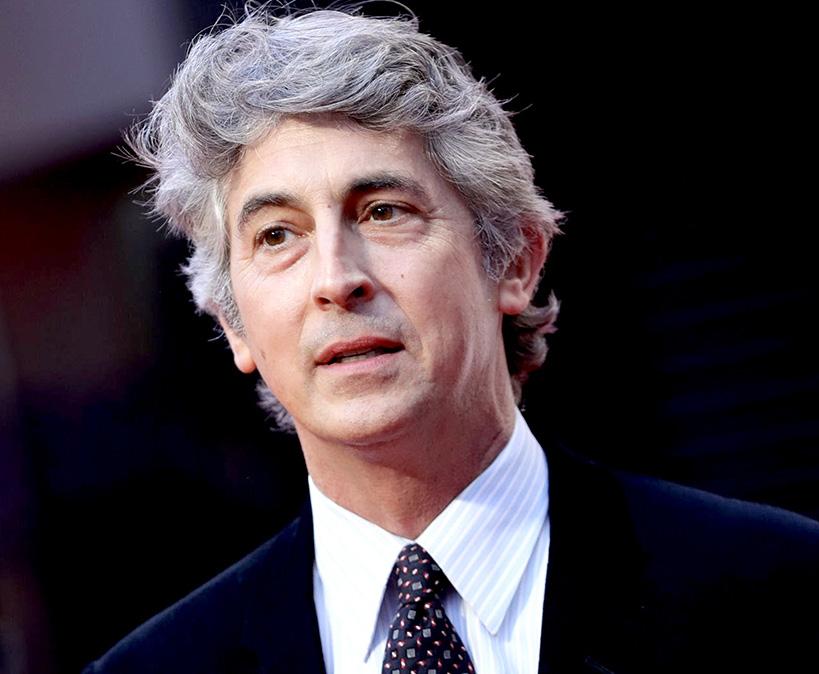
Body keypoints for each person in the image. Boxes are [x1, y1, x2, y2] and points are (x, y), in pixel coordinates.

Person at [84, 6, 819, 674]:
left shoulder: (781, 590)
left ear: (515, 261)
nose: (335, 279)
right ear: (232, 323)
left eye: (382, 211)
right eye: (277, 235)